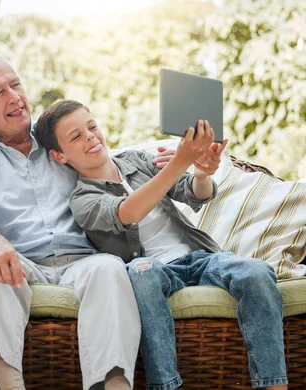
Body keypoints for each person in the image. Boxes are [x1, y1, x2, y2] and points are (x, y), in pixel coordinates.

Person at [0, 53, 173, 390]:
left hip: (82, 261)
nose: (15, 97)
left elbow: (102, 159)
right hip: (19, 265)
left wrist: (157, 162)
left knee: (109, 267)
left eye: (16, 84)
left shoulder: (57, 138)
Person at [34, 99, 288, 390]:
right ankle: (165, 386)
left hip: (197, 256)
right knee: (141, 271)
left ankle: (273, 385)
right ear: (59, 155)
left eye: (91, 127)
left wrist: (202, 172)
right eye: (75, 136)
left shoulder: (137, 160)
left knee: (256, 271)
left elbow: (194, 193)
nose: (90, 136)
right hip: (152, 269)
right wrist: (180, 162)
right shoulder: (82, 199)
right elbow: (129, 212)